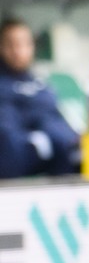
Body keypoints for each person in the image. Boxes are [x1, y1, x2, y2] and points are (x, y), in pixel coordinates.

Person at [0, 18, 81, 179]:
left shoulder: (40, 86)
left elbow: (57, 125)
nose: (18, 51)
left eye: (24, 44)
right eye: (11, 44)